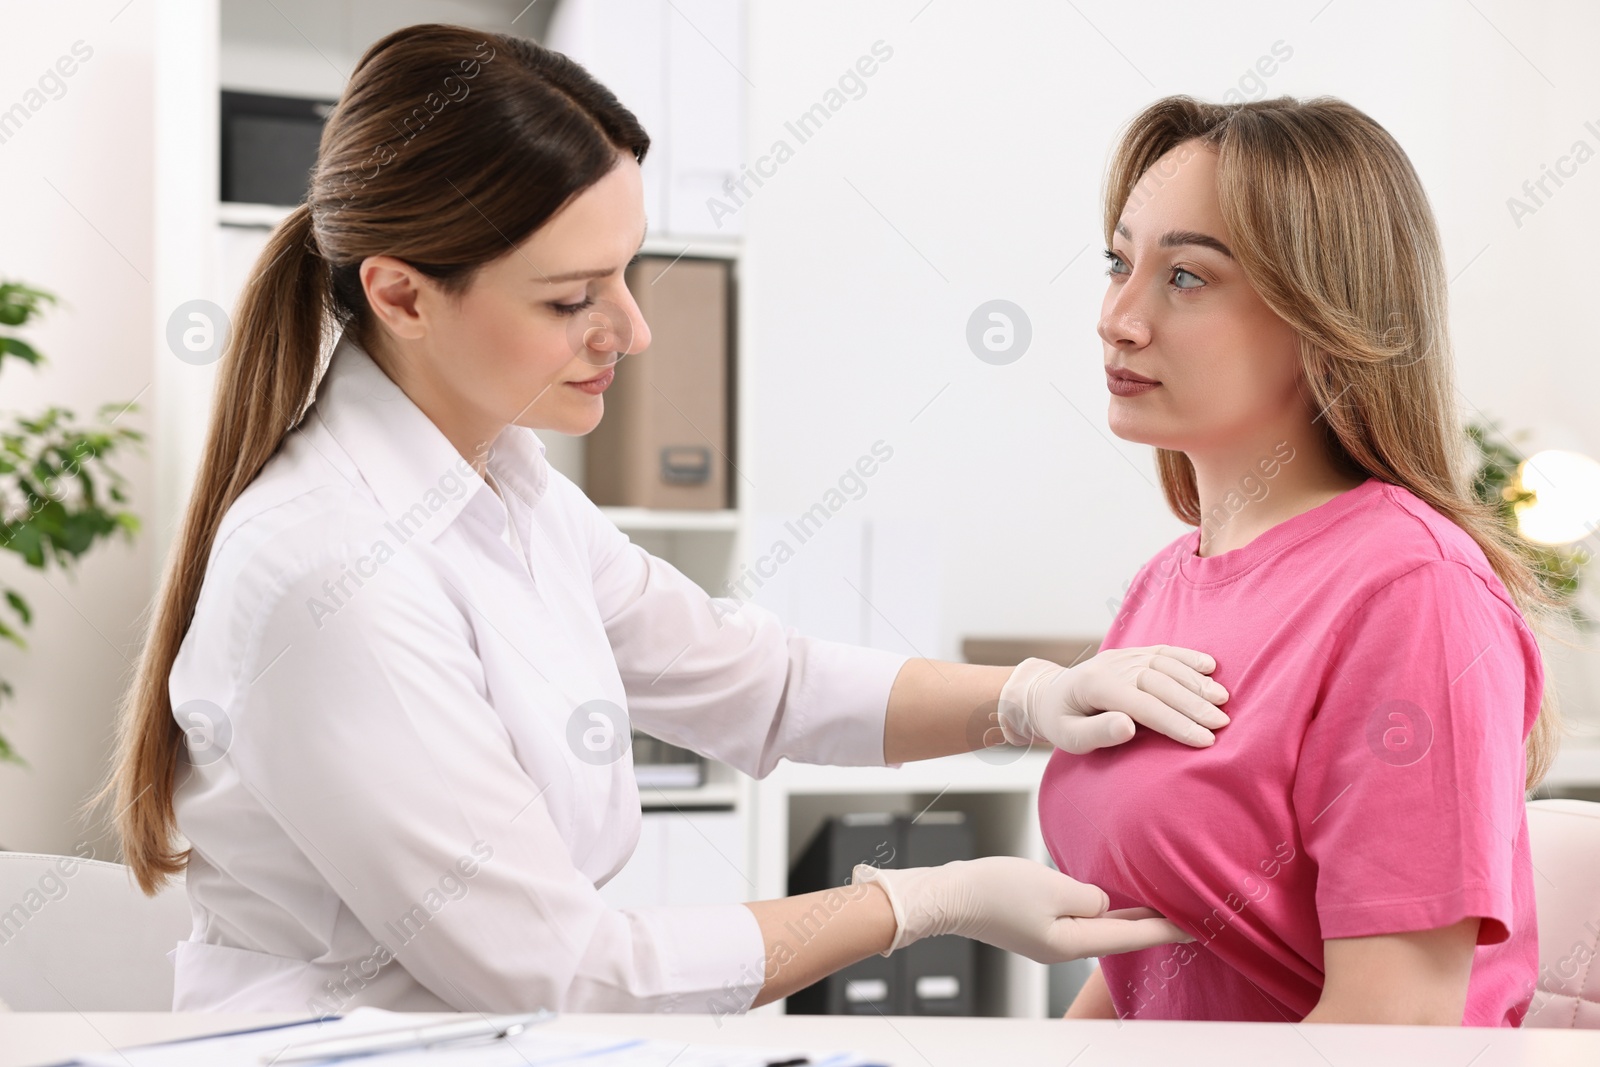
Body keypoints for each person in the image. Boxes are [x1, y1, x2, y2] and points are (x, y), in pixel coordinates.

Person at [102, 26, 1229, 1014]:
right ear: (400, 294)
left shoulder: (507, 483)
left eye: (626, 274)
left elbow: (756, 678)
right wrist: (921, 901)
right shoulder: (325, 572)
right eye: (570, 298)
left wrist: (1029, 696)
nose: (633, 332)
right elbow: (565, 970)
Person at [1037, 94, 1555, 1027]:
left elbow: (1393, 1026)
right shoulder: (1168, 582)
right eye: (1119, 264)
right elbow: (1149, 970)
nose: (1118, 318)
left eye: (1185, 277)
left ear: (1323, 315)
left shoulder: (1414, 591)